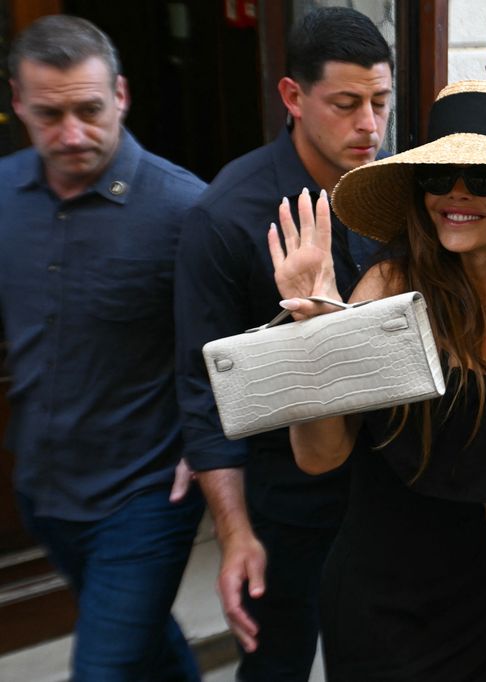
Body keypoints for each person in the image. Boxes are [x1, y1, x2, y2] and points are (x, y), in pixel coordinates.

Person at [269, 80, 486, 680]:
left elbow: (475, 445)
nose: (456, 193)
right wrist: (318, 342)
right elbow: (321, 455)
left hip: (480, 584)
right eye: (438, 177)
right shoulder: (390, 291)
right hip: (386, 602)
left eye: (482, 178)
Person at [173, 7, 391, 680]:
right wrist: (235, 534)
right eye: (347, 104)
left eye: (381, 102)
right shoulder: (224, 216)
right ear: (293, 97)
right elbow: (203, 392)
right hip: (288, 498)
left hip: (392, 484)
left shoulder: (395, 188)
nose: (370, 125)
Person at [0, 15, 205, 681]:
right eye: (49, 115)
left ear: (120, 94)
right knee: (143, 642)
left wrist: (207, 444)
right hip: (43, 484)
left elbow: (236, 340)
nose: (72, 134)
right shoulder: (3, 193)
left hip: (147, 493)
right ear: (18, 102)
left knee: (103, 668)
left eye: (88, 110)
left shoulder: (185, 209)